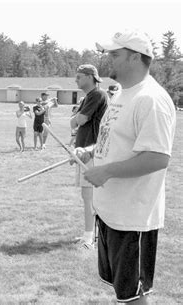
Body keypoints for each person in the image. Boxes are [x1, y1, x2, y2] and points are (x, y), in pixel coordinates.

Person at [75, 30, 176, 304]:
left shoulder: (151, 99)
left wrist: (105, 171)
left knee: (134, 296)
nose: (109, 59)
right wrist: (91, 150)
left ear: (134, 57)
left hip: (133, 218)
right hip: (110, 212)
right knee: (123, 293)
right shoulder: (122, 94)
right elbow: (114, 139)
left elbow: (157, 158)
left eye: (115, 54)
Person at [70, 64, 108, 249]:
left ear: (90, 76)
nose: (76, 80)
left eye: (79, 76)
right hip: (82, 151)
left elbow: (81, 120)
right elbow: (72, 123)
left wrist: (78, 117)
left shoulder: (98, 95)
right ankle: (88, 234)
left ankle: (91, 238)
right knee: (87, 196)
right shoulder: (87, 98)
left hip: (92, 151)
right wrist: (78, 117)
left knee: (91, 196)